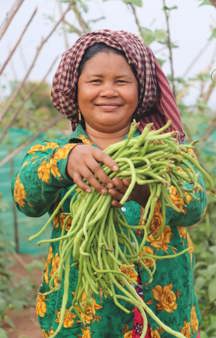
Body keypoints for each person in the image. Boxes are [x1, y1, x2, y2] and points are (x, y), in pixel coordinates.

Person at [12, 29, 206, 338]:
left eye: (121, 82)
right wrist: (66, 161)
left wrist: (146, 191)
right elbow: (25, 197)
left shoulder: (166, 154)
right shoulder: (54, 155)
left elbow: (194, 204)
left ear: (140, 90)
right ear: (75, 90)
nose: (108, 91)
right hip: (83, 321)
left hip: (161, 318)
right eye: (95, 81)